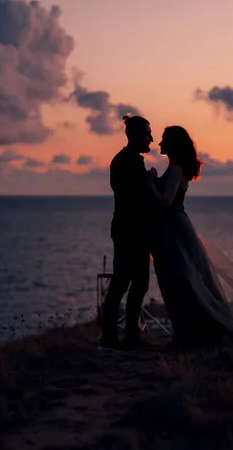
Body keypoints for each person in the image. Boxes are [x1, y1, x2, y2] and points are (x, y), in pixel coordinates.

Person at [147, 126, 233, 349]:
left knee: (179, 283)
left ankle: (188, 335)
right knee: (181, 282)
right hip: (174, 228)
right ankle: (187, 333)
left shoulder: (176, 169)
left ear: (174, 143)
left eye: (164, 139)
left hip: (173, 229)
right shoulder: (176, 169)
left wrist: (149, 182)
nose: (159, 143)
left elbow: (165, 201)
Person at [99, 115, 154, 351]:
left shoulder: (127, 160)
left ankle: (125, 334)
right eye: (147, 134)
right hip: (129, 230)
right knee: (125, 282)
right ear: (134, 136)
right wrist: (148, 180)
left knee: (133, 282)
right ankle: (115, 337)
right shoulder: (127, 161)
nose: (150, 138)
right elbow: (134, 196)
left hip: (130, 229)